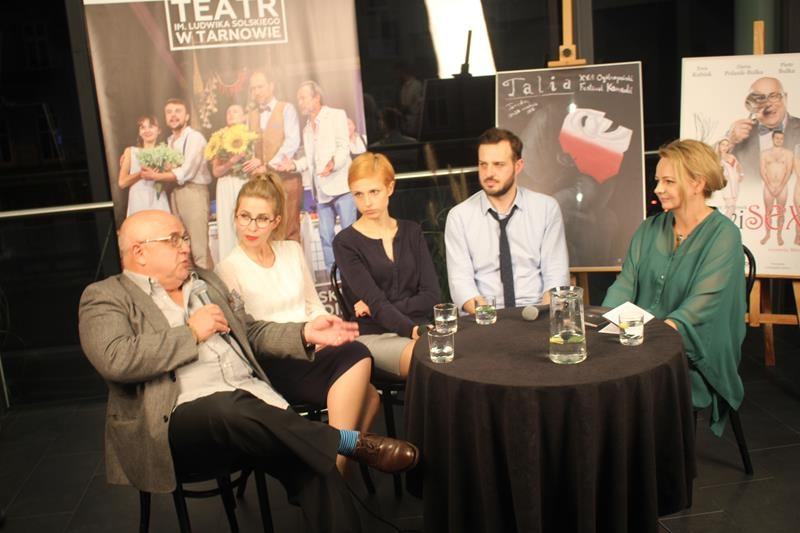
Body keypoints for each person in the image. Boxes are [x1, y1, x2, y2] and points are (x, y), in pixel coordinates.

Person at [78, 210, 419, 532]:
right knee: (227, 406)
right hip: (176, 420)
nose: (186, 247)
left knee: (316, 464)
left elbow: (250, 333)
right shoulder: (106, 296)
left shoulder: (205, 281)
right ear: (140, 252)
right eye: (174, 240)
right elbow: (115, 358)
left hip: (252, 407)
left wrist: (304, 332)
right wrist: (191, 333)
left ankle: (330, 447)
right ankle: (344, 441)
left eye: (185, 237)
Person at [216, 173, 380, 472]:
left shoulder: (291, 251)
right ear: (235, 216)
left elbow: (312, 305)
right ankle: (336, 469)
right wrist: (309, 338)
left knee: (370, 397)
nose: (251, 227)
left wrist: (323, 325)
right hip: (274, 361)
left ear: (276, 221)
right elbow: (247, 338)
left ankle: (333, 467)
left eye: (262, 219)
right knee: (359, 359)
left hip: (314, 348)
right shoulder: (227, 269)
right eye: (244, 216)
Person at [602, 139, 745, 436]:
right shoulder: (649, 228)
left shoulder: (725, 235)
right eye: (658, 180)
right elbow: (625, 284)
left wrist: (650, 338)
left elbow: (700, 307)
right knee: (597, 371)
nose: (658, 189)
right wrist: (608, 321)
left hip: (693, 349)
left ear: (697, 183)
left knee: (621, 384)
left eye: (668, 181)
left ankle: (641, 452)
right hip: (639, 337)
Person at [332, 153, 440, 378]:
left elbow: (431, 296)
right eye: (358, 194)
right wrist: (410, 329)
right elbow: (376, 302)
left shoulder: (412, 232)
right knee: (432, 358)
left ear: (390, 188)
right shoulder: (345, 243)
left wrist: (376, 309)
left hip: (421, 329)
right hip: (375, 335)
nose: (367, 202)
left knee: (460, 354)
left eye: (374, 191)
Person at [445, 127, 570, 314]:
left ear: (518, 166)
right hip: (484, 318)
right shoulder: (459, 217)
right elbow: (461, 284)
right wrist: (490, 319)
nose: (489, 173)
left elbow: (556, 275)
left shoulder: (546, 209)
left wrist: (543, 317)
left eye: (498, 164)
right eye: (483, 164)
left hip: (536, 313)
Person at [277, 81, 357, 270]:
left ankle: (355, 271)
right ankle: (334, 275)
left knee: (350, 235)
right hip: (321, 191)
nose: (300, 102)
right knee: (325, 236)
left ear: (316, 98)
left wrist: (333, 164)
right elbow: (310, 160)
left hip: (341, 186)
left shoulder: (336, 115)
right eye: (298, 99)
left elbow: (343, 147)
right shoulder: (306, 128)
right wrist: (293, 165)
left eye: (303, 98)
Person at [141, 98, 213, 269]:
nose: (173, 115)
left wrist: (157, 176)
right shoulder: (169, 141)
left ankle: (209, 285)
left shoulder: (194, 137)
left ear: (187, 116)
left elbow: (187, 171)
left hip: (193, 192)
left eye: (178, 111)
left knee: (199, 249)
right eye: (169, 112)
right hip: (174, 193)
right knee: (184, 247)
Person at [247, 69, 303, 242]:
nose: (256, 92)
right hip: (264, 183)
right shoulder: (251, 115)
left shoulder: (286, 108)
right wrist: (254, 160)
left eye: (260, 87)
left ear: (271, 86)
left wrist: (269, 165)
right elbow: (251, 146)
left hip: (286, 180)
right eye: (253, 88)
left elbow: (292, 142)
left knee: (289, 231)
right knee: (268, 231)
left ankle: (293, 261)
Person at [212, 104, 264, 261]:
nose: (230, 114)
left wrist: (258, 162)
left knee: (247, 222)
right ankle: (230, 265)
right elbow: (216, 171)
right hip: (225, 185)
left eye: (235, 111)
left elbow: (261, 161)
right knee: (227, 225)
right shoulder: (220, 139)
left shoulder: (252, 137)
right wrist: (231, 162)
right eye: (228, 111)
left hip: (244, 183)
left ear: (244, 116)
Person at [726, 77, 800, 180]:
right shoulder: (737, 135)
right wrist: (730, 142)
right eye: (760, 99)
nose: (768, 104)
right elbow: (711, 170)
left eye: (774, 96)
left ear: (785, 98)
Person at [118, 115, 170, 216]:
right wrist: (141, 174)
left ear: (159, 130)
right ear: (139, 132)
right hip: (137, 201)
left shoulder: (165, 152)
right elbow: (122, 182)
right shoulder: (130, 151)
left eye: (151, 127)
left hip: (158, 199)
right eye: (143, 127)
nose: (147, 130)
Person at [758, 131, 794, 246]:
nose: (779, 140)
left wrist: (781, 186)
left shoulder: (788, 153)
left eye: (781, 138)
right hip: (768, 186)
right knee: (768, 211)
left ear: (783, 140)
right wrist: (769, 185)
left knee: (780, 212)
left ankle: (779, 235)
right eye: (777, 138)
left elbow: (789, 171)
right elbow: (762, 170)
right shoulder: (764, 153)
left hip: (782, 186)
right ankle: (767, 234)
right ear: (773, 139)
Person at [714, 138, 743, 218]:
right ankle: (724, 223)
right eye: (723, 145)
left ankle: (726, 223)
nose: (725, 147)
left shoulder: (731, 156)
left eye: (727, 145)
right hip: (726, 185)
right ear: (719, 145)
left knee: (732, 208)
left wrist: (741, 175)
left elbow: (738, 166)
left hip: (735, 183)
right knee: (730, 207)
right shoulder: (716, 158)